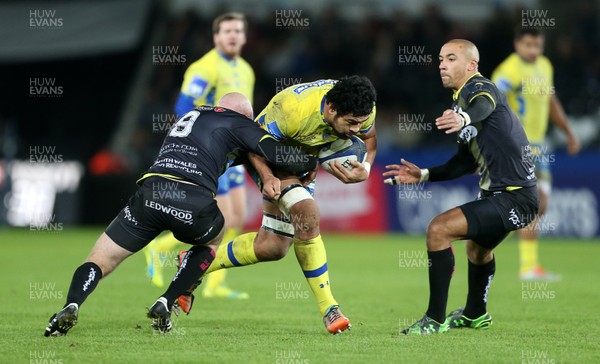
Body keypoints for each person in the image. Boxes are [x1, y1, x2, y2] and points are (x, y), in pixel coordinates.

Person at [44, 93, 316, 337]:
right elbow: (280, 154)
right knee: (213, 239)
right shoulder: (239, 121)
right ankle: (167, 300)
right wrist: (313, 160)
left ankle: (72, 304)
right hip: (192, 200)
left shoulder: (192, 115)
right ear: (244, 115)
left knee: (99, 259)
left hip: (151, 193)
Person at [172, 76, 377, 334]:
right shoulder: (292, 108)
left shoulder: (362, 108)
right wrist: (268, 177)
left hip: (304, 161)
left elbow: (370, 139)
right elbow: (253, 145)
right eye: (350, 123)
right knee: (308, 215)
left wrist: (366, 169)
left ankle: (194, 263)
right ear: (331, 109)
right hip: (269, 156)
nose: (356, 129)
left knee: (272, 247)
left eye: (360, 122)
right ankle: (330, 308)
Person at [384, 40, 539, 334]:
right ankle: (475, 315)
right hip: (504, 195)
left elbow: (485, 103)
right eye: (441, 58)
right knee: (478, 251)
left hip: (515, 197)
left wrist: (464, 116)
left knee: (438, 229)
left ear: (471, 65)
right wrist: (424, 175)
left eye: (451, 58)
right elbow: (464, 163)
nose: (442, 64)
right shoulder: (460, 103)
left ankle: (434, 319)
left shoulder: (478, 88)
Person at [144, 12, 254, 298]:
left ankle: (215, 285)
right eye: (227, 31)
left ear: (244, 37)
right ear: (216, 36)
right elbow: (183, 108)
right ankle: (160, 247)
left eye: (237, 31)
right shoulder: (204, 67)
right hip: (211, 151)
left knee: (237, 217)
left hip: (236, 150)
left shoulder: (246, 70)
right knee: (221, 217)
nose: (232, 35)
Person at [491, 28, 580, 281]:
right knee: (534, 202)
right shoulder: (508, 71)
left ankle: (485, 238)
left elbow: (551, 101)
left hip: (540, 146)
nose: (533, 51)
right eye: (528, 45)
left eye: (538, 46)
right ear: (517, 44)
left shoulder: (544, 66)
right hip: (516, 146)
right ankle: (528, 267)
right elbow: (490, 104)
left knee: (540, 205)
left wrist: (568, 132)